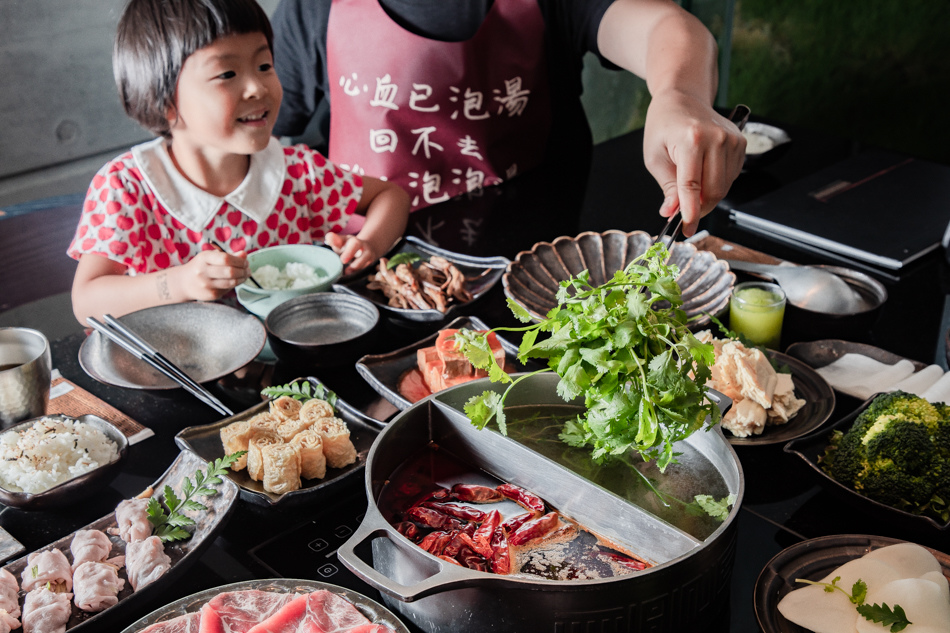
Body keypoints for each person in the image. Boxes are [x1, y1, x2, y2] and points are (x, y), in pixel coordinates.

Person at [270, 0, 745, 238]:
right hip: (365, 289)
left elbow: (665, 25)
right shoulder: (315, 8)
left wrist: (680, 94)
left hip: (532, 290)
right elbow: (258, 132)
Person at [68, 0, 410, 326]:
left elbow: (391, 196)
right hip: (177, 375)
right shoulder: (127, 185)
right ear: (164, 101)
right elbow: (86, 303)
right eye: (227, 73)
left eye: (264, 66)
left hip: (291, 368)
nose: (257, 87)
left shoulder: (297, 172)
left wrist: (368, 244)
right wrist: (180, 283)